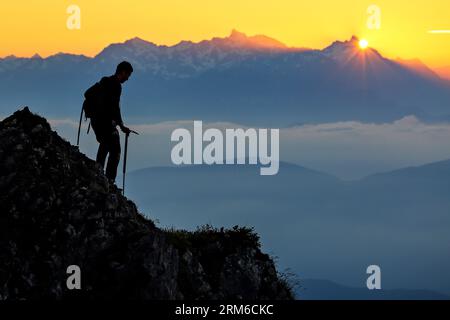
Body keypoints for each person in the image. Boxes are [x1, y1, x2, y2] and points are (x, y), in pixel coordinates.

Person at [89, 61, 133, 182]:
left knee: (105, 144)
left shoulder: (105, 81)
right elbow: (115, 108)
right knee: (115, 150)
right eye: (128, 75)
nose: (128, 79)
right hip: (105, 123)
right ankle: (109, 180)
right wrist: (122, 125)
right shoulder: (116, 85)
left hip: (96, 121)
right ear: (123, 72)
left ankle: (98, 173)